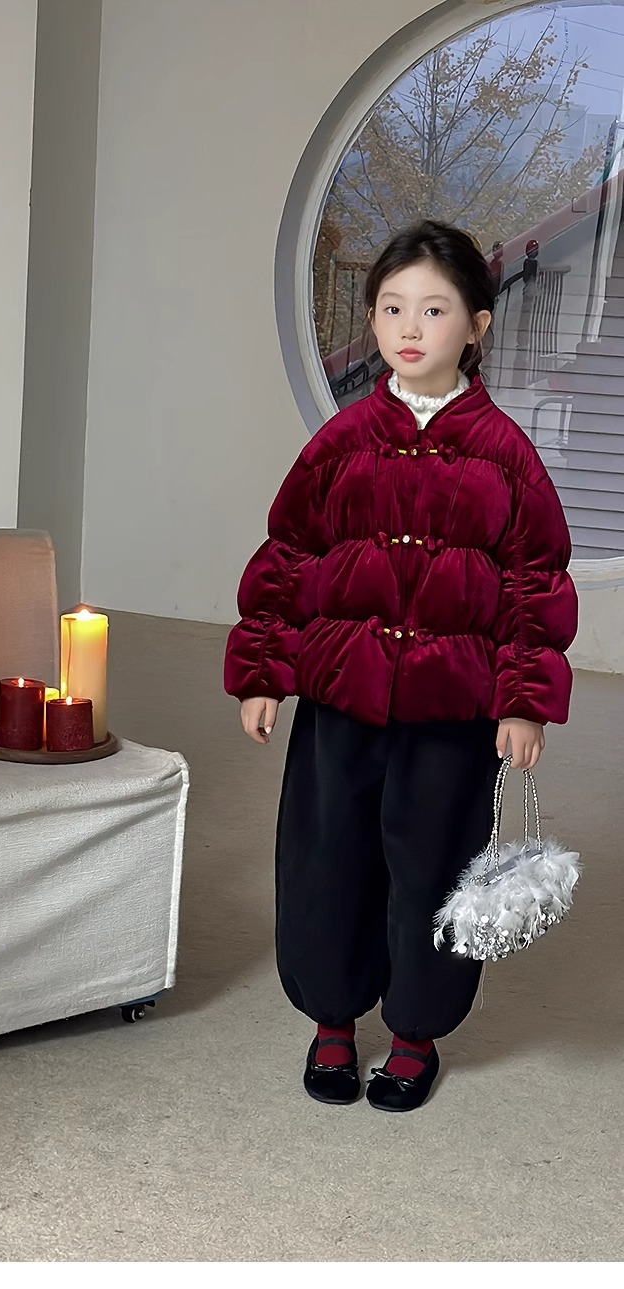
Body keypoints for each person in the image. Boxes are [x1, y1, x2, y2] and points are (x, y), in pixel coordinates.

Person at [223, 219, 578, 1114]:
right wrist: (263, 669)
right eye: (391, 308)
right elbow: (290, 555)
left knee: (433, 866)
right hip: (341, 696)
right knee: (327, 856)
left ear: (477, 325)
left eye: (434, 309)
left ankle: (416, 1031)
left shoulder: (506, 456)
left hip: (450, 711)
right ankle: (333, 1018)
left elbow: (535, 582)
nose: (409, 328)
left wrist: (523, 700)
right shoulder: (340, 442)